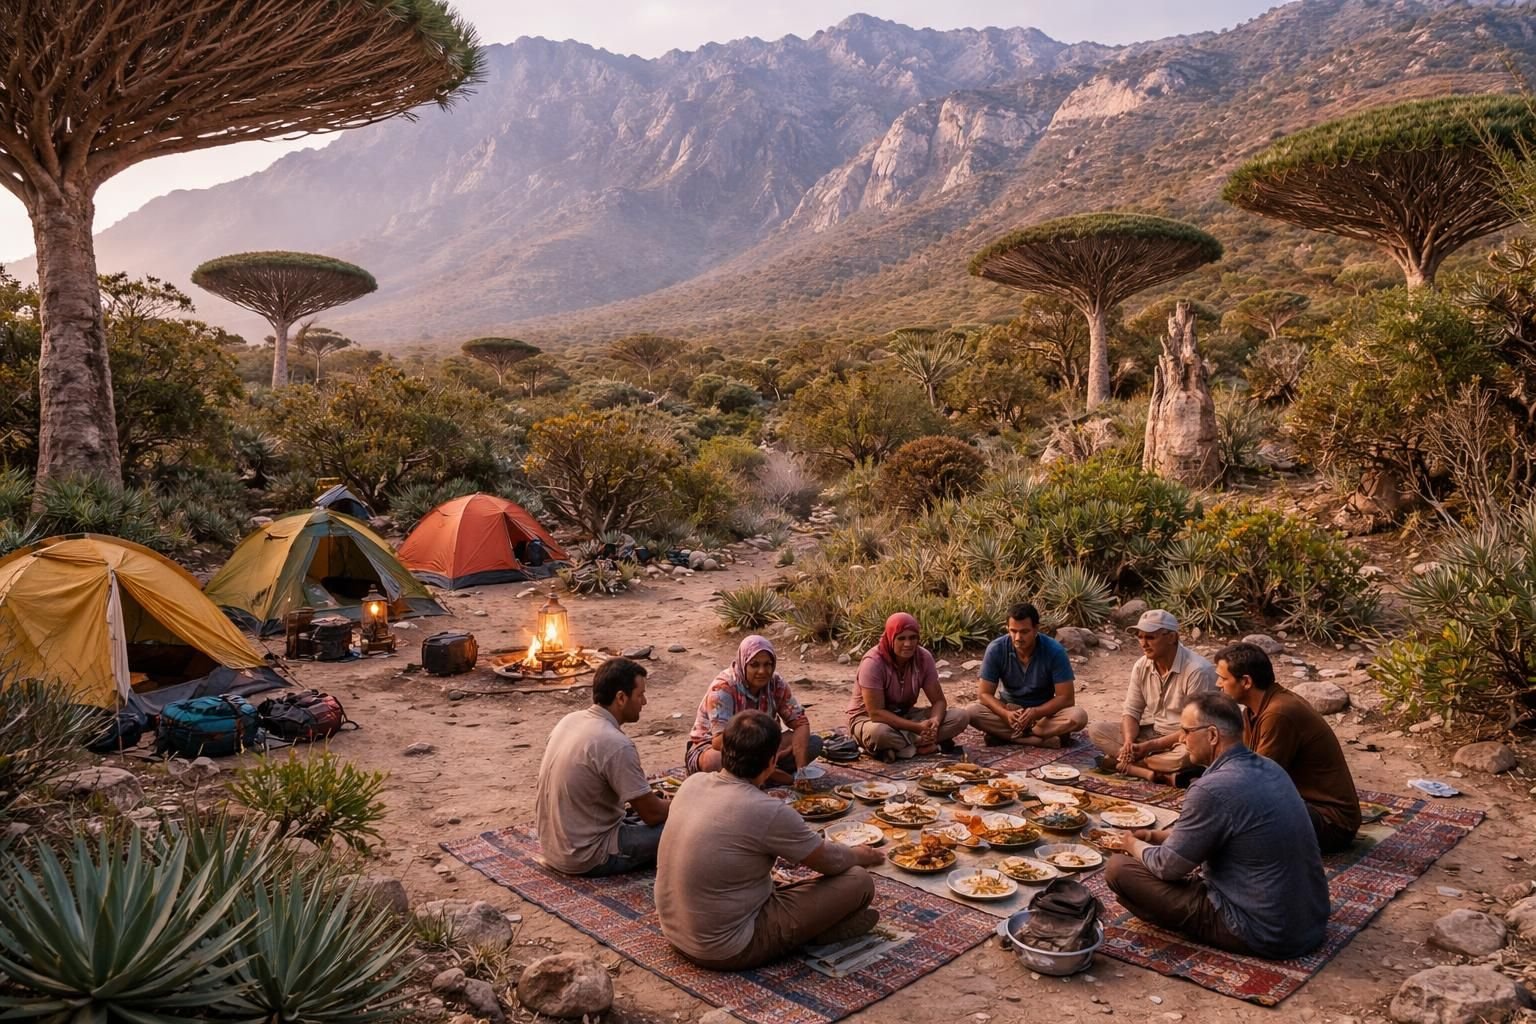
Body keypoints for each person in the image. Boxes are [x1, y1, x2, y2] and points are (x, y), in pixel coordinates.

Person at [1098, 692, 1330, 960]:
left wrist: (1131, 843)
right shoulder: (1270, 767)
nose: (1182, 739)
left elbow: (1167, 867)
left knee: (1119, 869)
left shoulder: (1211, 789)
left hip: (1263, 930)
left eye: (1186, 731)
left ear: (1212, 735)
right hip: (1310, 921)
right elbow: (1224, 832)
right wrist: (1152, 835)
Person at [657, 710, 884, 970]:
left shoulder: (692, 783)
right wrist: (861, 854)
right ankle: (817, 931)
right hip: (726, 949)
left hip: (675, 932)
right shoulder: (766, 810)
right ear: (772, 761)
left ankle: (819, 928)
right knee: (858, 881)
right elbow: (831, 862)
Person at [1215, 641, 1361, 853]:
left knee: (1238, 822)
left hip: (1331, 824)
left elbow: (1255, 782)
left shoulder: (1279, 713)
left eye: (1223, 678)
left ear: (1246, 681)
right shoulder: (1254, 710)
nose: (1218, 684)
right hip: (1302, 806)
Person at [533, 657, 669, 876]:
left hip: (552, 848)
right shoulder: (616, 744)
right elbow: (652, 814)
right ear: (621, 698)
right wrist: (687, 801)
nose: (644, 702)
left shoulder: (570, 720)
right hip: (587, 855)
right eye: (640, 695)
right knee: (692, 826)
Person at [1087, 609, 1216, 785]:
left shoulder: (1197, 670)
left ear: (1171, 637)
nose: (1143, 644)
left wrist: (1150, 747)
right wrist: (1128, 744)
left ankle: (1129, 766)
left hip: (1186, 737)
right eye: (1140, 637)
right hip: (1153, 735)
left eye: (1150, 638)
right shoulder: (1141, 666)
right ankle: (1156, 771)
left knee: (1184, 757)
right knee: (1097, 730)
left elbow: (1196, 727)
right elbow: (1131, 711)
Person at [685, 635, 821, 782]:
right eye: (754, 665)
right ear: (743, 664)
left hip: (760, 746)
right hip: (724, 750)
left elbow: (800, 722)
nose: (762, 671)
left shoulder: (775, 683)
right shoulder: (723, 688)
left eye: (767, 664)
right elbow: (719, 742)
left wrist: (801, 771)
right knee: (715, 761)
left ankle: (756, 775)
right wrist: (769, 768)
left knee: (813, 743)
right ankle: (765, 774)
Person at [847, 612, 970, 761]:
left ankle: (902, 749)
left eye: (913, 638)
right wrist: (917, 728)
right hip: (870, 720)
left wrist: (934, 723)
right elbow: (876, 713)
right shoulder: (873, 662)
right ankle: (924, 745)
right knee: (880, 733)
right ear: (891, 638)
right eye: (901, 638)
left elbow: (939, 701)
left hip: (905, 715)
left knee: (960, 717)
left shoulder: (923, 658)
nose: (908, 644)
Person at [964, 602, 1087, 746]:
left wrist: (1035, 713)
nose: (1017, 637)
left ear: (1036, 629)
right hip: (1010, 711)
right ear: (1007, 629)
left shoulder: (1054, 650)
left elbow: (1066, 698)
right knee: (971, 712)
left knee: (1078, 716)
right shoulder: (996, 649)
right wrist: (1005, 714)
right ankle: (1039, 740)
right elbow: (984, 694)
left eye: (1024, 632)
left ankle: (1015, 735)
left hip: (1043, 715)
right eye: (1013, 631)